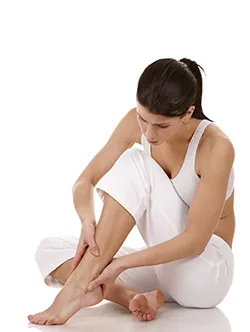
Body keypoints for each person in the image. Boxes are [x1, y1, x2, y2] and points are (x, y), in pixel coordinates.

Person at [27, 58, 235, 325]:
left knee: (135, 162)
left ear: (187, 113)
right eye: (142, 119)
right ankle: (132, 297)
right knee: (50, 249)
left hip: (205, 272)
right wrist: (87, 221)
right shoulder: (135, 124)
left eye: (161, 126)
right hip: (165, 269)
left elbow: (195, 241)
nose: (149, 134)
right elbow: (85, 181)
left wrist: (120, 264)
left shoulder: (216, 147)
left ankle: (78, 288)